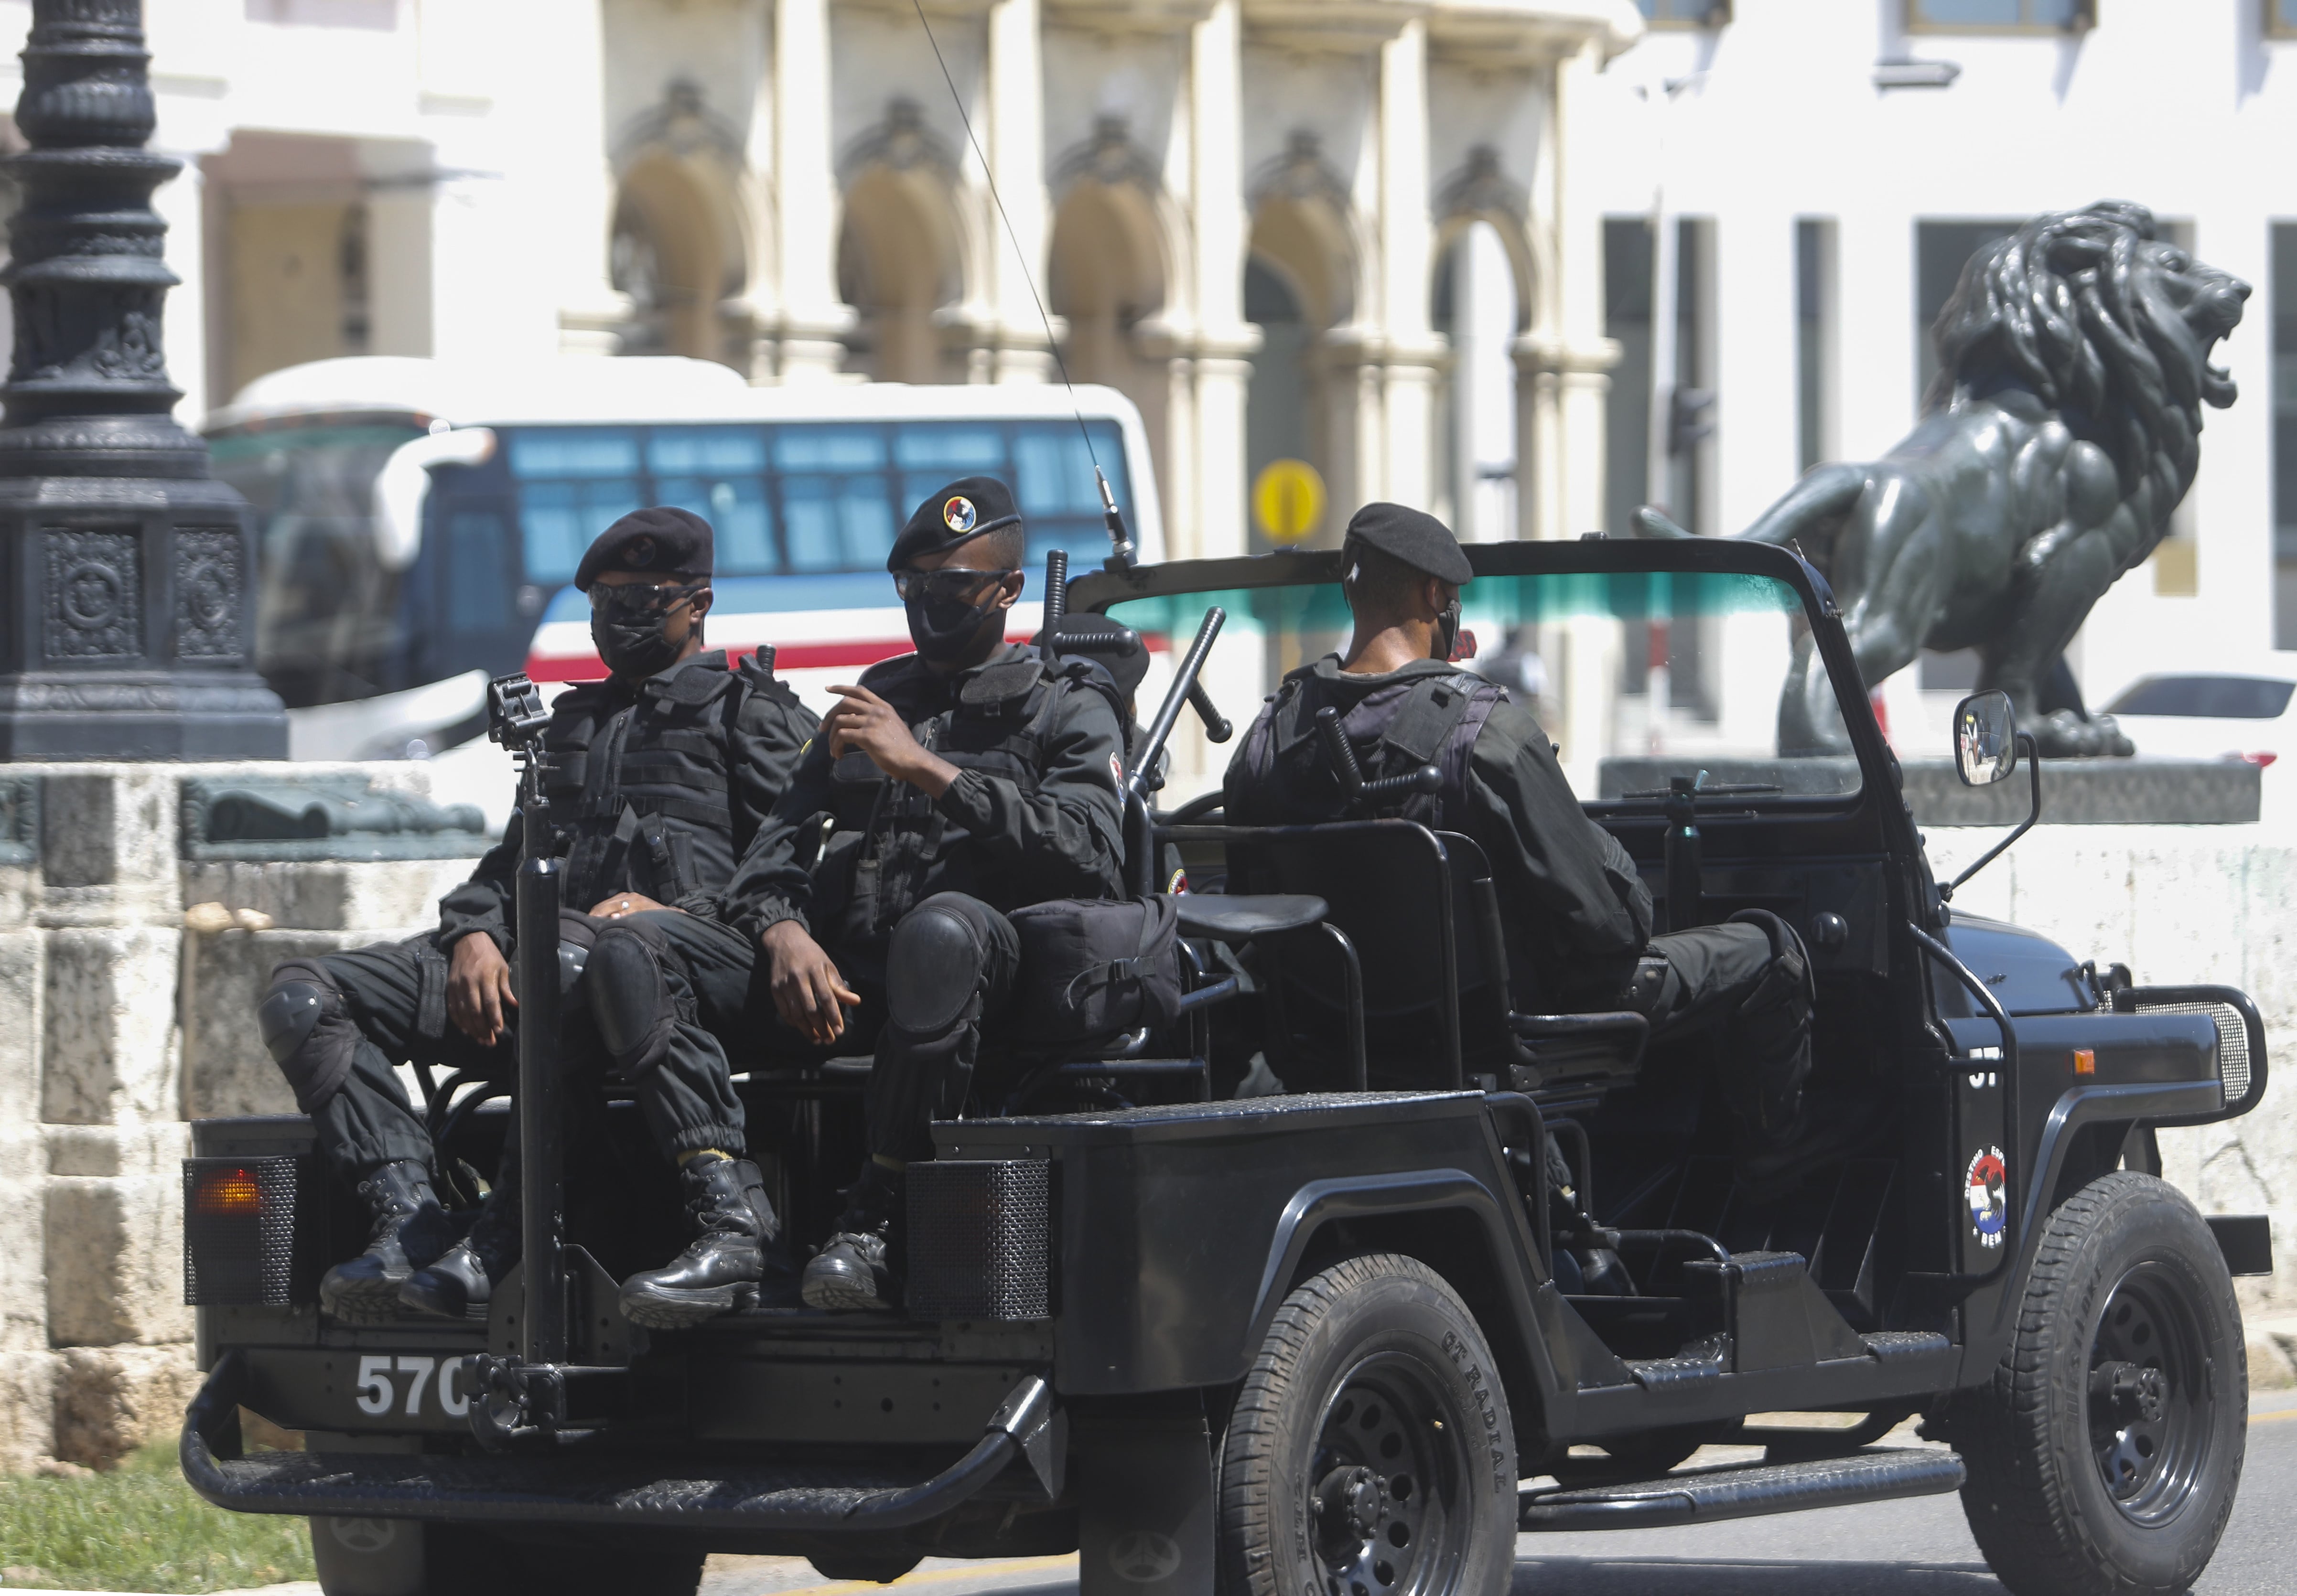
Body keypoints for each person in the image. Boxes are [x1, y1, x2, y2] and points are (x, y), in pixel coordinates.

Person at [257, 507, 817, 1324]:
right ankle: (411, 1219)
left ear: (696, 604)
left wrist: (672, 911)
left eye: (645, 599)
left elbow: (792, 864)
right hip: (544, 962)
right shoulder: (570, 725)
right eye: (605, 602)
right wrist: (476, 931)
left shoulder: (747, 713)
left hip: (683, 976)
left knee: (575, 957)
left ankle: (510, 1231)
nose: (621, 619)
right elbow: (511, 859)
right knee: (306, 996)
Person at [1223, 503, 1814, 1152]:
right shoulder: (1486, 734)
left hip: (1327, 1039)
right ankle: (1773, 1178)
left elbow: (1251, 910)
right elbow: (1611, 933)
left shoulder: (1270, 736)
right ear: (1437, 595)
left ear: (1351, 591)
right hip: (1498, 1035)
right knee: (1772, 949)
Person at [691, 474, 1130, 1315]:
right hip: (854, 981)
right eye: (913, 585)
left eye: (951, 586)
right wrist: (784, 930)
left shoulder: (1066, 706)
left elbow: (1090, 854)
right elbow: (772, 852)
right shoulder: (876, 698)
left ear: (1006, 591)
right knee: (647, 955)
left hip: (994, 989)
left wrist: (928, 770)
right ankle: (721, 1222)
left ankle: (878, 1214)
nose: (928, 603)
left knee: (939, 934)